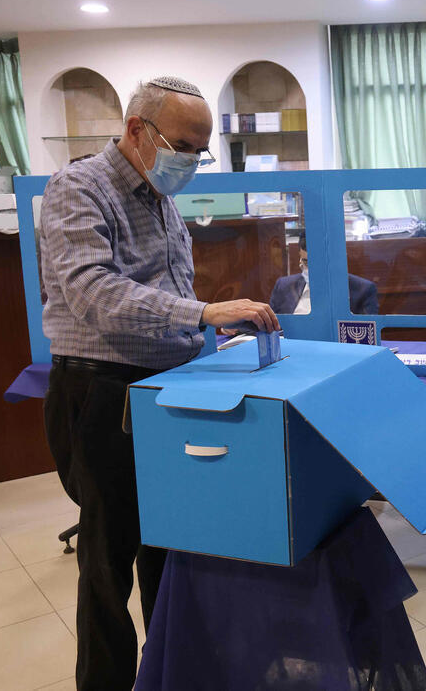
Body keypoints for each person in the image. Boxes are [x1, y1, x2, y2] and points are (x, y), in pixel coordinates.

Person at [39, 76, 280, 690]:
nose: (192, 161)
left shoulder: (161, 198)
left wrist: (209, 340)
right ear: (136, 130)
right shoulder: (80, 189)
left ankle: (169, 676)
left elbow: (164, 293)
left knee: (169, 547)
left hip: (162, 389)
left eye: (202, 150)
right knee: (107, 562)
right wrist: (201, 314)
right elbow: (93, 292)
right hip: (102, 392)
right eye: (183, 145)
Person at [269, 233, 379, 315]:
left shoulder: (363, 290)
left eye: (319, 263)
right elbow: (271, 328)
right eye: (306, 262)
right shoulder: (284, 286)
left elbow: (366, 337)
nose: (313, 270)